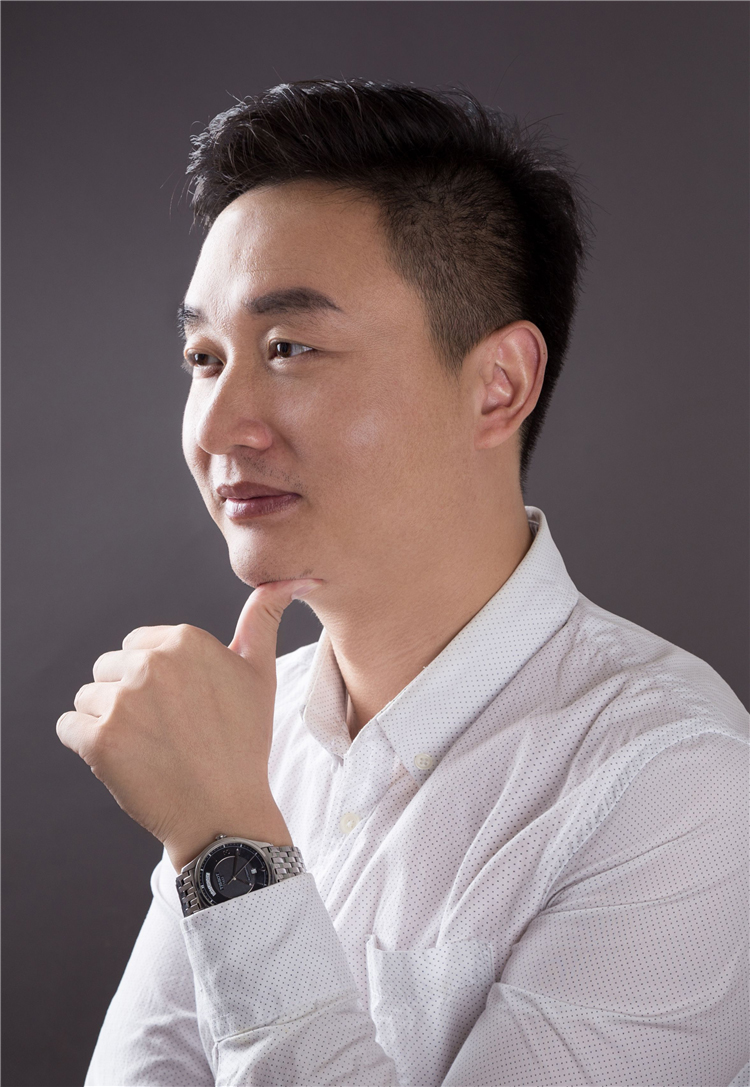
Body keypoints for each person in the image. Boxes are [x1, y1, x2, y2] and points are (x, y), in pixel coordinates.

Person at [57, 80, 748, 1087]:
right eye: (203, 356)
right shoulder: (256, 730)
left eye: (289, 347)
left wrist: (226, 848)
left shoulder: (677, 783)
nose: (216, 425)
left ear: (498, 385)